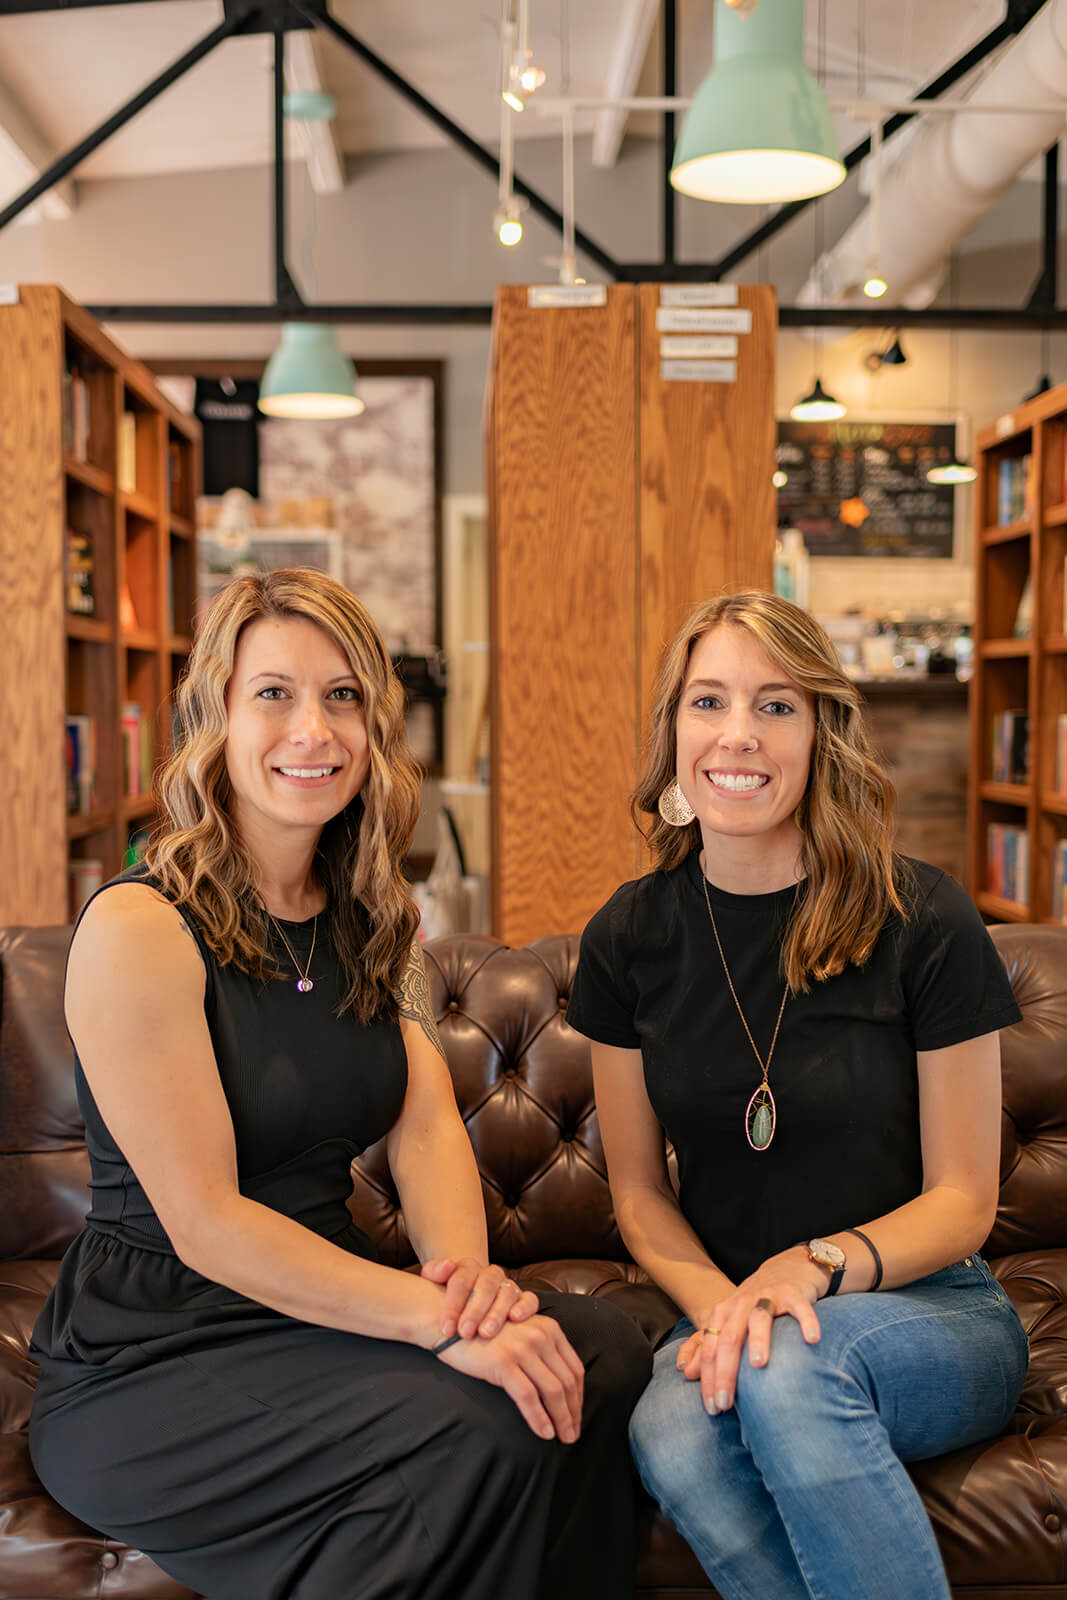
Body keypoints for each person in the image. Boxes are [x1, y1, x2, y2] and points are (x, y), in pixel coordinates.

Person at [29, 567, 650, 1600]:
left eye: (342, 695)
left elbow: (420, 1127)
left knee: (598, 1347)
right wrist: (439, 1323)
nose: (311, 729)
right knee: (481, 1425)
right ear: (215, 717)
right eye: (273, 693)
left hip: (316, 1306)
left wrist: (467, 1285)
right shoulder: (139, 925)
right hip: (158, 1351)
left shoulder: (373, 915)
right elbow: (208, 1224)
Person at [566, 590, 1028, 1600]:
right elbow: (639, 1193)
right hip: (737, 1307)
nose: (737, 735)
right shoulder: (628, 938)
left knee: (784, 1371)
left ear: (820, 730)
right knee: (668, 1434)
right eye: (708, 702)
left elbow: (964, 1200)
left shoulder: (923, 916)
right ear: (673, 731)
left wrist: (812, 1267)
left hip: (925, 1309)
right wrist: (726, 1308)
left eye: (775, 705)